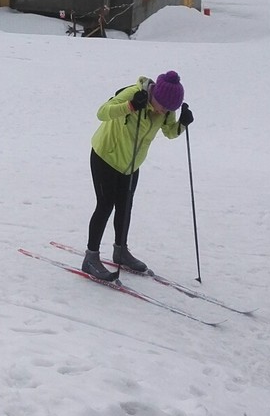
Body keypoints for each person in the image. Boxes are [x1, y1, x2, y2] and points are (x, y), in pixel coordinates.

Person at [77, 71, 193, 282]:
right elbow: (102, 113)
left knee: (125, 206)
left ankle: (120, 251)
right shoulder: (133, 93)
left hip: (131, 164)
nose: (165, 111)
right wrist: (129, 107)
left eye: (170, 109)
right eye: (164, 107)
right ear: (155, 95)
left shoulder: (166, 109)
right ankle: (90, 257)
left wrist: (182, 124)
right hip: (106, 156)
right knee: (105, 205)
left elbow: (169, 132)